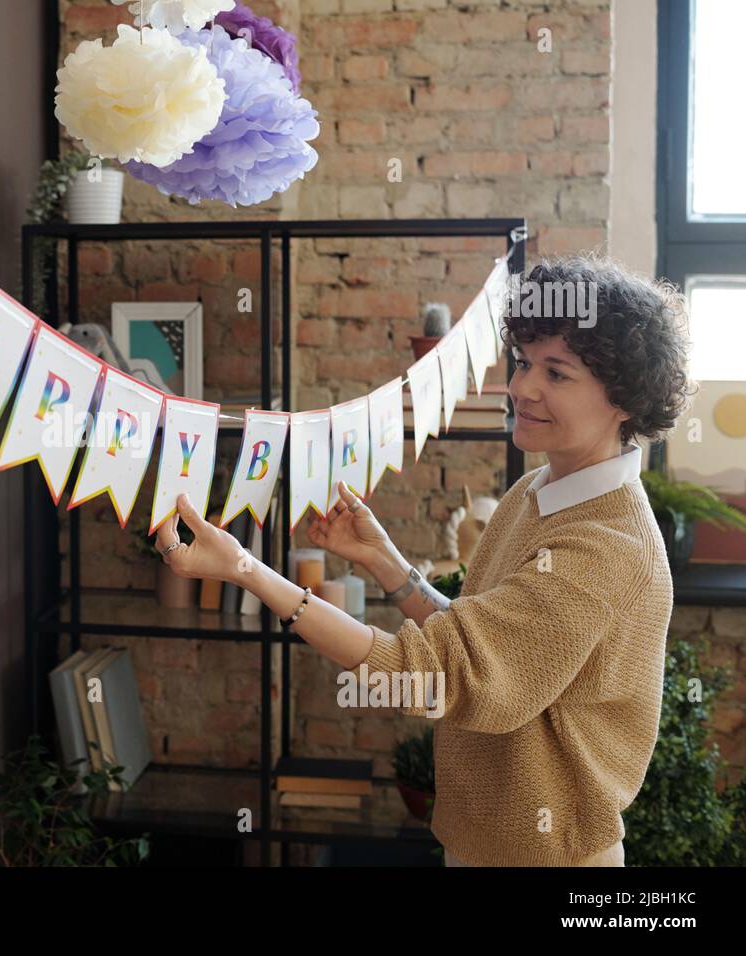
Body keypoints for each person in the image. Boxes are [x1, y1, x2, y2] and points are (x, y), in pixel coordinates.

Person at [155, 255, 694, 866]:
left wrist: (247, 571)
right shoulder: (535, 492)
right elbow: (478, 643)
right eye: (522, 362)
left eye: (558, 373)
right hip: (481, 846)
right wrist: (387, 562)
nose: (521, 387)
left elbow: (435, 674)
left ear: (626, 397)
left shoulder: (606, 547)